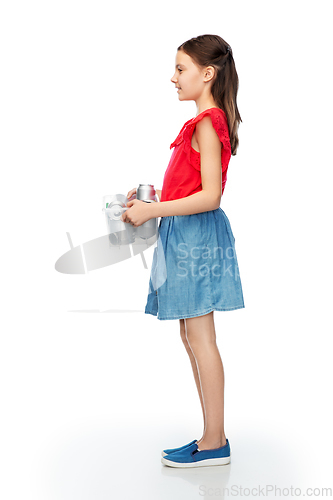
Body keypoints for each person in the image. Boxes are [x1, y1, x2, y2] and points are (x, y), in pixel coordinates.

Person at [121, 34, 245, 468]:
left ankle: (215, 444)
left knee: (201, 337)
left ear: (207, 73)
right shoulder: (201, 122)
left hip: (197, 238)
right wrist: (148, 206)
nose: (172, 78)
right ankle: (211, 437)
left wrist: (154, 208)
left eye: (180, 69)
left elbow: (211, 195)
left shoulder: (209, 122)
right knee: (191, 335)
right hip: (186, 235)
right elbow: (190, 187)